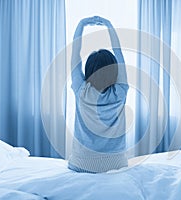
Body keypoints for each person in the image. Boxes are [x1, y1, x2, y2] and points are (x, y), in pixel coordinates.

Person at [68, 16, 128, 173]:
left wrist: (81, 24)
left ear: (89, 70)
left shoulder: (81, 90)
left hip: (82, 162)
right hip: (116, 162)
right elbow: (118, 52)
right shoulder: (120, 92)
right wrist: (109, 25)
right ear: (114, 70)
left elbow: (75, 54)